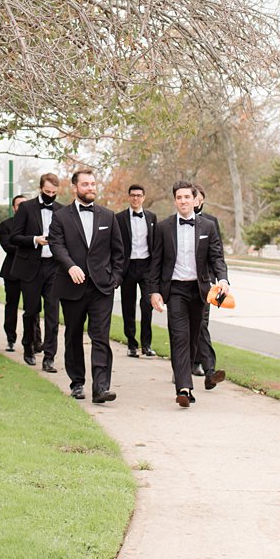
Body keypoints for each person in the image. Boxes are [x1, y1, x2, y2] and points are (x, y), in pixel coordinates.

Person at [146, 180, 229, 408]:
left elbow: (217, 258)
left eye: (186, 197)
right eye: (179, 197)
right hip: (175, 291)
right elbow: (156, 263)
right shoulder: (163, 228)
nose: (183, 201)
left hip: (200, 290)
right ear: (175, 201)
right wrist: (153, 292)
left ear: (195, 200)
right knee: (179, 337)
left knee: (193, 337)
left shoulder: (208, 227)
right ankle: (184, 388)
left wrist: (223, 280)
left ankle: (187, 378)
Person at [49, 168, 126, 402]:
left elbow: (119, 252)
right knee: (73, 335)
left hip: (102, 288)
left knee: (101, 336)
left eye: (93, 184)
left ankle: (101, 388)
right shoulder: (61, 216)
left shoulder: (108, 216)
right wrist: (70, 266)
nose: (91, 188)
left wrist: (115, 279)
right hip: (72, 286)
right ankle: (77, 383)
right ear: (75, 188)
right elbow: (56, 244)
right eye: (85, 185)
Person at [6, 173, 63, 372]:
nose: (51, 195)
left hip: (53, 268)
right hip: (30, 266)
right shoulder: (26, 208)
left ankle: (49, 357)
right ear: (40, 189)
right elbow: (14, 236)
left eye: (54, 193)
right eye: (47, 192)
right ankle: (28, 347)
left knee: (53, 314)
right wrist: (34, 240)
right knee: (31, 311)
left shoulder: (61, 210)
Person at [117, 183, 157, 357]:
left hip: (146, 267)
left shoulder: (152, 217)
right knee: (128, 307)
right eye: (133, 195)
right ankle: (131, 344)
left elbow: (155, 243)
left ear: (144, 198)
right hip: (128, 267)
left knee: (147, 306)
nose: (135, 198)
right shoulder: (119, 218)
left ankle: (146, 344)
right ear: (129, 197)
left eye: (139, 195)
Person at [193, 185, 222, 381]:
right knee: (191, 326)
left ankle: (205, 368)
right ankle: (196, 365)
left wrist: (220, 281)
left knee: (202, 323)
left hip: (206, 283)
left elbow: (217, 254)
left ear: (201, 200)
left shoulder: (211, 222)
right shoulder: (173, 224)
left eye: (196, 197)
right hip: (182, 284)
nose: (193, 201)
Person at [0, 195, 31, 352]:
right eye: (19, 204)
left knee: (32, 308)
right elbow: (7, 246)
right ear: (13, 207)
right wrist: (29, 245)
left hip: (31, 271)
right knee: (11, 306)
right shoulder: (6, 225)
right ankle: (10, 339)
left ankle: (33, 341)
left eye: (25, 204)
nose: (22, 207)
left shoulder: (33, 224)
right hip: (11, 272)